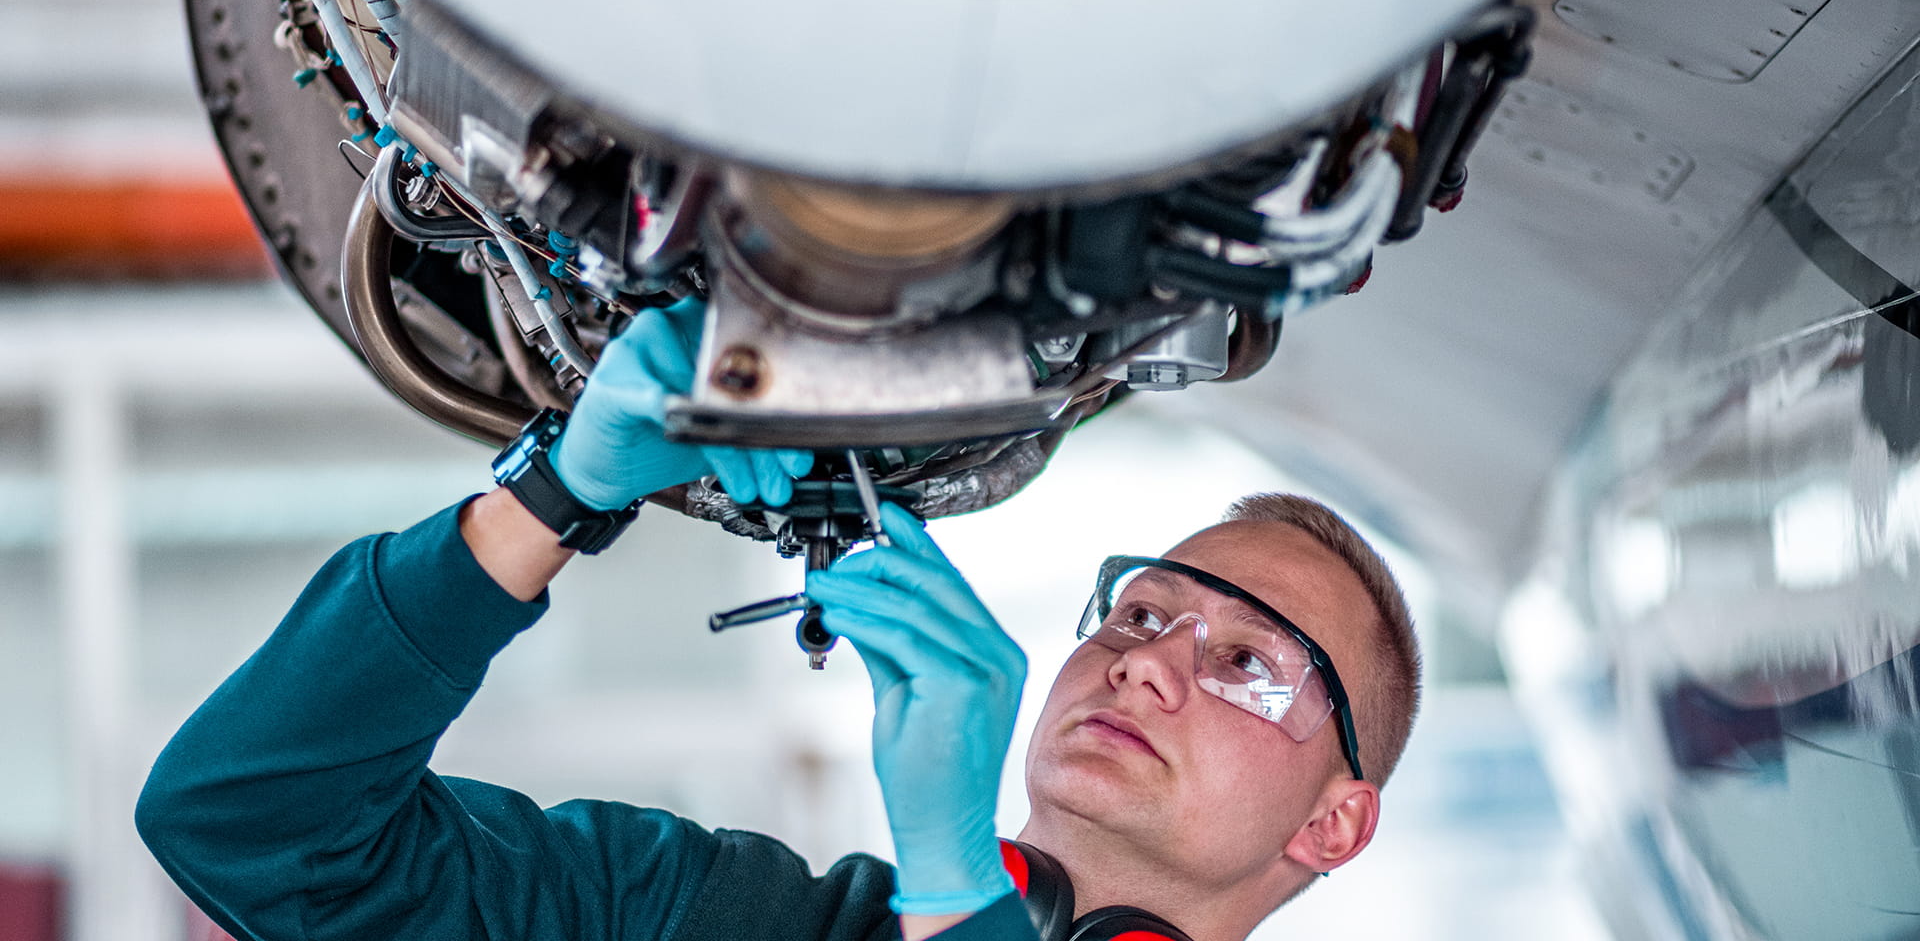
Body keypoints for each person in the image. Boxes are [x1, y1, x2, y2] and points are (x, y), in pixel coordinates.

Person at [135, 300, 1422, 941]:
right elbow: (249, 822)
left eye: (1247, 660)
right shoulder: (726, 917)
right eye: (1141, 613)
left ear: (1334, 822)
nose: (1148, 667)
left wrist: (960, 885)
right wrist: (550, 499)